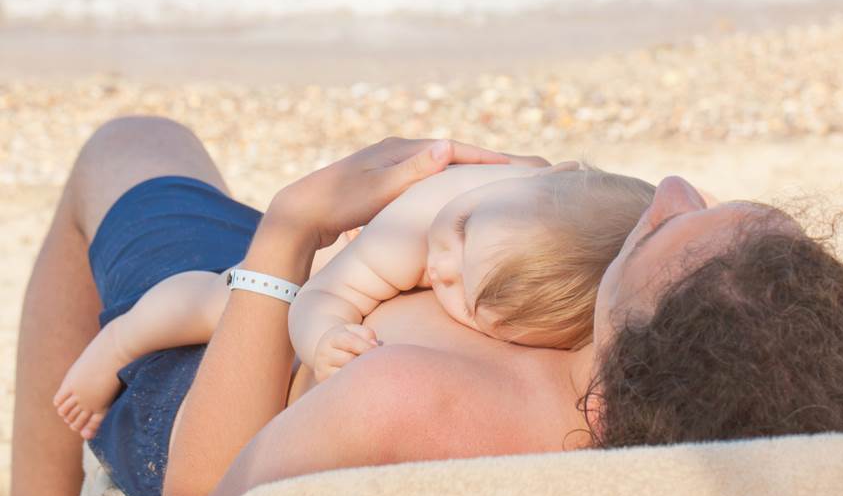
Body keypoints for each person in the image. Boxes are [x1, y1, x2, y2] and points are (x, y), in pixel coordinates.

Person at [5, 117, 843, 496]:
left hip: (212, 394)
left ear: (616, 383)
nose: (670, 188)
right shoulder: (780, 419)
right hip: (333, 317)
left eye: (660, 233)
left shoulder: (412, 399)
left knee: (129, 145)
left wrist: (292, 225)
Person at [52, 162, 654, 436]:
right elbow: (322, 294)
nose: (439, 265)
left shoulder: (523, 239)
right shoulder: (426, 222)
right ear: (546, 174)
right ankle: (118, 343)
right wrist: (324, 338)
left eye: (461, 294)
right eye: (464, 229)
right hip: (315, 270)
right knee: (218, 299)